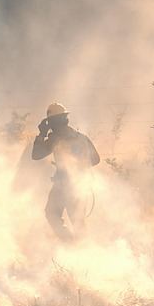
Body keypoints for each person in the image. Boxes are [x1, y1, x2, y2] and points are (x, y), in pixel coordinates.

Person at [31, 102, 100, 240]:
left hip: (63, 186)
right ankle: (84, 250)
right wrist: (80, 166)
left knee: (52, 214)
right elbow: (96, 159)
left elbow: (36, 155)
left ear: (52, 122)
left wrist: (41, 134)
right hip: (81, 185)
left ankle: (71, 244)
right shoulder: (81, 137)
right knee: (78, 221)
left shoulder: (56, 139)